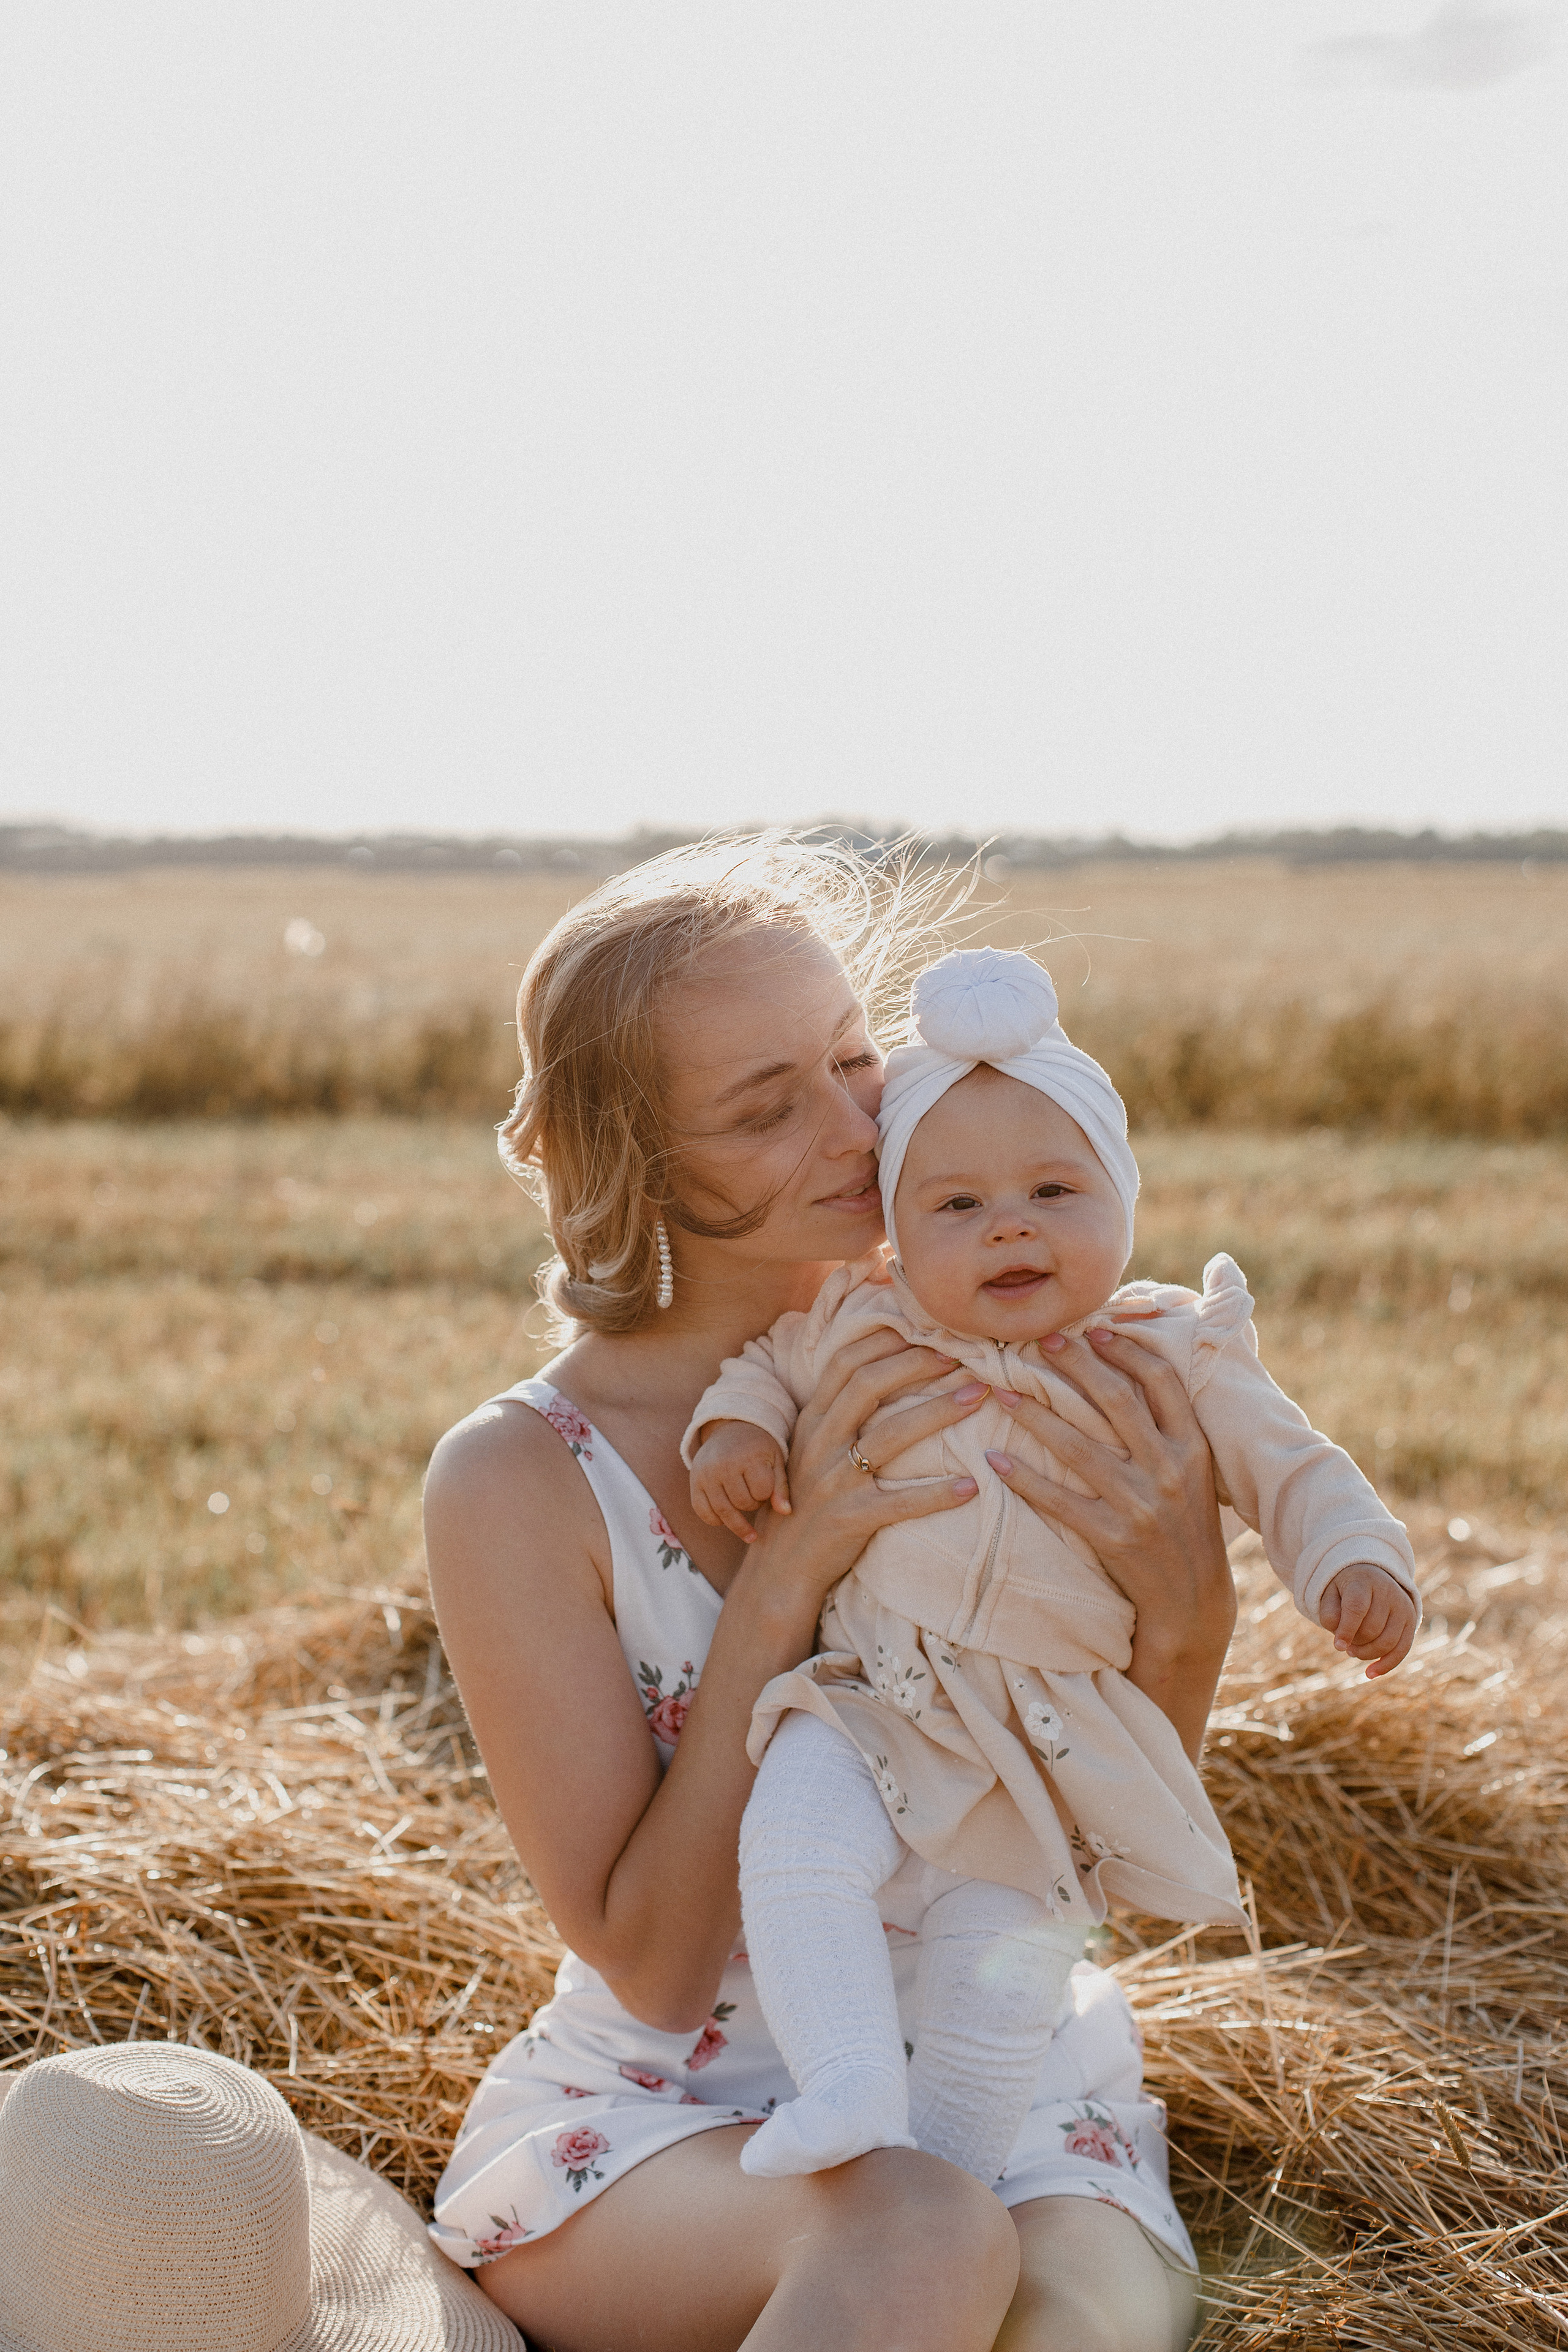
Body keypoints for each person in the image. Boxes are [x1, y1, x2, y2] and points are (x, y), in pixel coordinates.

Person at [423, 839, 1240, 2352]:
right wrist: (785, 1580)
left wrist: (1187, 1613)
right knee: (921, 2234)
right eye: (763, 1104)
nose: (857, 1124)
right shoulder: (523, 1480)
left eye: (855, 1060)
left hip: (1009, 2072)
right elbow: (657, 1968)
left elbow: (1093, 1854)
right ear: (637, 1167)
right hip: (670, 2121)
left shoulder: (1042, 1368)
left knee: (1069, 2323)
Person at [685, 944, 1419, 2190]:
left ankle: (950, 2186)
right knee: (794, 1841)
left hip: (1050, 1742)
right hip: (876, 1693)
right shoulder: (861, 1325)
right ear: (895, 1239)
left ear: (1124, 1199)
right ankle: (848, 2082)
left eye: (1052, 1190)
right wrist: (737, 1435)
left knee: (1004, 1978)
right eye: (955, 1207)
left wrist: (1351, 1557)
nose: (1008, 1223)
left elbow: (1292, 1464)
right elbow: (760, 1371)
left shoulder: (1172, 1352)